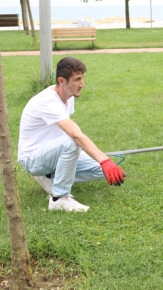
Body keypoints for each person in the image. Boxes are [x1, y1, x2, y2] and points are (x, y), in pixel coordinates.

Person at [17, 57, 125, 212]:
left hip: (52, 153)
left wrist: (101, 162)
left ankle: (50, 177)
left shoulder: (68, 96)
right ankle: (59, 199)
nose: (82, 84)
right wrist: (104, 159)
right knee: (73, 142)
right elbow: (75, 135)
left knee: (101, 171)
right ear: (62, 81)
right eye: (77, 79)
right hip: (32, 158)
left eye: (82, 78)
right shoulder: (47, 101)